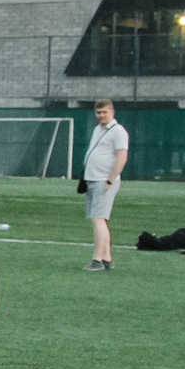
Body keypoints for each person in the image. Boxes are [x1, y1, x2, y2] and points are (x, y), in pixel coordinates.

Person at [81, 99, 131, 270]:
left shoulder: (118, 131)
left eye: (104, 112)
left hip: (104, 180)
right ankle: (106, 259)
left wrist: (110, 179)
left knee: (98, 218)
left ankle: (97, 260)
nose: (101, 115)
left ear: (112, 112)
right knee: (98, 218)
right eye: (98, 112)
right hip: (93, 178)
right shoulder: (98, 129)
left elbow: (122, 157)